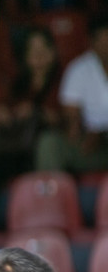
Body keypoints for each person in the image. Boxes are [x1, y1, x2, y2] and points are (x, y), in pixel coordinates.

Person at [0, 28, 62, 186]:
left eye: (43, 49)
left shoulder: (63, 79)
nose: (39, 56)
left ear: (53, 51)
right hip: (14, 149)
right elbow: (8, 111)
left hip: (42, 149)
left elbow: (62, 120)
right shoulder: (19, 84)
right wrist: (2, 111)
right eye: (33, 51)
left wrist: (36, 111)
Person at [36, 19, 108, 173]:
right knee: (49, 143)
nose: (106, 46)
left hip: (101, 136)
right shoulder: (78, 70)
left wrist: (101, 133)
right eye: (102, 40)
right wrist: (79, 131)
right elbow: (72, 119)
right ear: (92, 42)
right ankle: (52, 194)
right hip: (92, 143)